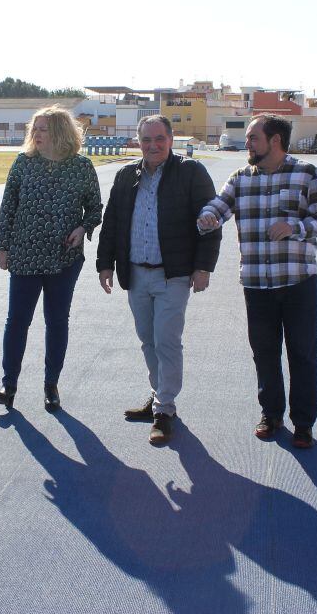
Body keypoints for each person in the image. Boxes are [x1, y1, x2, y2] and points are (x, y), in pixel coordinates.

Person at [197, 115, 317, 448]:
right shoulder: (241, 179)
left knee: (302, 353)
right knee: (264, 353)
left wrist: (297, 228)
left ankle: (303, 423)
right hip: (257, 283)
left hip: (297, 281)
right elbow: (219, 205)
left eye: (253, 138)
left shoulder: (307, 173)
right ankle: (271, 414)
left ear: (274, 140)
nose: (247, 144)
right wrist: (208, 216)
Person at [96, 115, 221, 445]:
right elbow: (111, 224)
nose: (153, 145)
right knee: (148, 340)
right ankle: (158, 398)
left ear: (171, 139)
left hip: (173, 275)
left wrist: (203, 267)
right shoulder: (126, 177)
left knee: (166, 340)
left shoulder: (191, 173)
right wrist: (104, 264)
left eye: (159, 139)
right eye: (146, 140)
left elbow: (210, 223)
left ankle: (164, 409)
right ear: (138, 142)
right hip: (136, 274)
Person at [0, 105, 102, 410]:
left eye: (43, 129)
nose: (36, 134)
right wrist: (4, 245)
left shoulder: (81, 167)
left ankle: (51, 384)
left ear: (60, 133)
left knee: (56, 322)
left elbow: (95, 208)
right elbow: (8, 206)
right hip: (25, 254)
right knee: (17, 321)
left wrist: (83, 228)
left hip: (63, 259)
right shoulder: (23, 163)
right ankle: (8, 383)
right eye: (34, 129)